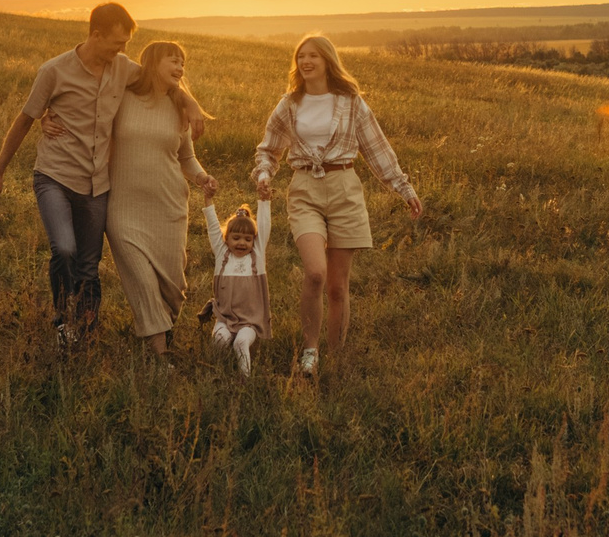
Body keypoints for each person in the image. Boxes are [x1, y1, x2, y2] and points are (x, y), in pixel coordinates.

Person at [0, 3, 200, 350]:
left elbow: (157, 80)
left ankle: (84, 330)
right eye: (117, 43)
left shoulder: (122, 68)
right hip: (55, 174)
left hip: (98, 183)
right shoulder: (54, 71)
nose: (123, 51)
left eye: (127, 44)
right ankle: (61, 321)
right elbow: (25, 119)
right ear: (95, 35)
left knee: (89, 263)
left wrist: (190, 104)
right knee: (66, 249)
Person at [252, 35, 421, 377]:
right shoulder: (289, 103)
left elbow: (376, 148)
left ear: (328, 60)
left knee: (337, 286)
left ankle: (337, 353)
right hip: (304, 189)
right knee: (315, 273)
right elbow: (268, 149)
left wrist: (402, 187)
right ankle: (310, 352)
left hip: (345, 188)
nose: (306, 61)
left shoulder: (350, 102)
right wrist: (265, 174)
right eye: (301, 56)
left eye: (313, 55)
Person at [104, 40, 216, 356]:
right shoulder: (122, 98)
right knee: (140, 279)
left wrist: (202, 177)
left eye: (183, 62)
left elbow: (186, 158)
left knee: (173, 286)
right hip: (124, 207)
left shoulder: (179, 108)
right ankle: (158, 352)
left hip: (169, 205)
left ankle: (162, 329)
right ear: (153, 62)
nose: (180, 68)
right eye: (173, 60)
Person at [198, 188, 272, 375]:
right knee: (220, 340)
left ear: (254, 241)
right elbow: (213, 227)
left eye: (248, 239)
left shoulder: (257, 255)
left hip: (251, 320)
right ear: (226, 239)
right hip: (225, 316)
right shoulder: (222, 254)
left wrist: (264, 200)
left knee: (241, 342)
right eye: (236, 238)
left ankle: (245, 379)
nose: (242, 243)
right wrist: (208, 200)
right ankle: (216, 373)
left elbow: (263, 225)